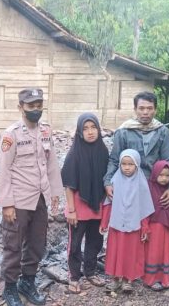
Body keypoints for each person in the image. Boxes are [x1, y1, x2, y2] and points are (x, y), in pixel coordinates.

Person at [0, 88, 63, 306]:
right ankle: (9, 288)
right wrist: (7, 204)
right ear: (20, 108)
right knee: (13, 245)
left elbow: (51, 163)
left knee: (37, 243)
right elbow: (4, 170)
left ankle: (28, 281)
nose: (35, 110)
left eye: (38, 105)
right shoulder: (11, 134)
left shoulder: (45, 131)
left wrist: (55, 192)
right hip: (18, 200)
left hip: (40, 198)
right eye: (30, 106)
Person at [103, 91, 169, 210]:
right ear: (135, 109)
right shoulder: (124, 131)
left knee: (156, 223)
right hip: (128, 184)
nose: (145, 112)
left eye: (149, 108)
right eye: (141, 108)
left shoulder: (162, 131)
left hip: (155, 184)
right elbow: (114, 159)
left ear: (155, 110)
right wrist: (108, 182)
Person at [61, 113, 109, 294]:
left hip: (97, 204)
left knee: (95, 241)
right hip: (78, 205)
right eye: (85, 128)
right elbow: (68, 184)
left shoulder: (103, 151)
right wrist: (71, 210)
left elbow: (107, 179)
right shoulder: (74, 153)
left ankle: (90, 271)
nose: (90, 132)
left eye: (93, 127)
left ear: (98, 129)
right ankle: (74, 276)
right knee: (74, 244)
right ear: (80, 132)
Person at [99, 149, 155, 294]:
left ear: (137, 165)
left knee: (131, 253)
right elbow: (108, 203)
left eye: (130, 164)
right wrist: (104, 222)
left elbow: (145, 208)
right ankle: (115, 279)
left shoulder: (141, 183)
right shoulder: (115, 180)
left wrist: (145, 228)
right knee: (115, 252)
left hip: (134, 226)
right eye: (123, 164)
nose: (127, 167)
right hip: (116, 226)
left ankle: (127, 280)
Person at [143, 160, 169, 291]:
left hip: (166, 228)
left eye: (167, 175)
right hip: (153, 227)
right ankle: (150, 278)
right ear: (154, 174)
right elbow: (144, 209)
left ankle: (164, 278)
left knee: (165, 252)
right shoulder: (149, 188)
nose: (164, 179)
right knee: (153, 252)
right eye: (161, 175)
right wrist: (145, 227)